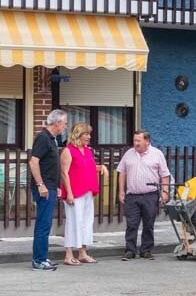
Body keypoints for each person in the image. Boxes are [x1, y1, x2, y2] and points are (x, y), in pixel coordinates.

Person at [59, 122, 109, 266]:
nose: (88, 137)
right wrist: (68, 193)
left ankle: (82, 253)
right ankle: (68, 255)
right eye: (86, 134)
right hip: (74, 192)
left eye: (89, 134)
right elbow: (64, 173)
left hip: (87, 190)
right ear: (78, 135)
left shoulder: (87, 150)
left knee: (87, 222)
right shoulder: (68, 151)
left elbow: (89, 167)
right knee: (74, 221)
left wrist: (101, 167)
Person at [117, 130, 170, 260]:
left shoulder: (157, 154)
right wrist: (121, 191)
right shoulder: (129, 154)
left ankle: (146, 250)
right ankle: (130, 250)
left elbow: (164, 175)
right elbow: (122, 172)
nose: (135, 143)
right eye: (134, 141)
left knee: (148, 223)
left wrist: (165, 192)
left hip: (150, 195)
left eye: (138, 141)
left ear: (147, 141)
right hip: (132, 195)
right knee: (132, 224)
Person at [28, 109, 68, 271]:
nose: (65, 127)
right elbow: (33, 162)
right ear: (57, 123)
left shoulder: (52, 139)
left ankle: (42, 257)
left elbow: (51, 165)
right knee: (43, 224)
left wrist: (56, 186)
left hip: (50, 186)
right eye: (64, 123)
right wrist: (40, 184)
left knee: (46, 223)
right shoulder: (43, 138)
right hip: (44, 188)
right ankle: (39, 260)